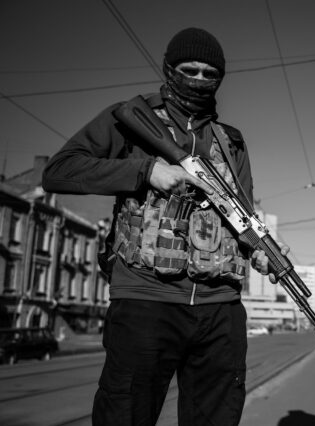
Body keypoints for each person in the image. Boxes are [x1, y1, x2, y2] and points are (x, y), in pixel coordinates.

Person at [43, 27, 274, 426]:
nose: (199, 79)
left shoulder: (230, 140)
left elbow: (240, 211)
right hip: (146, 300)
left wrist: (263, 247)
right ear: (169, 69)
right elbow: (59, 171)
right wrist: (145, 170)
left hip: (220, 308)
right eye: (190, 69)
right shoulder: (134, 119)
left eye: (209, 73)